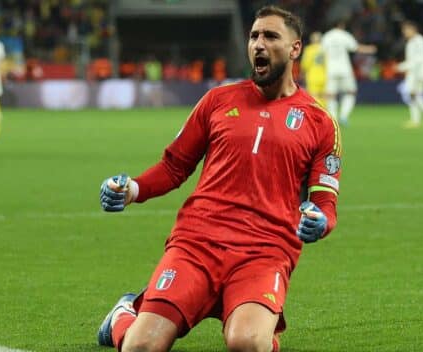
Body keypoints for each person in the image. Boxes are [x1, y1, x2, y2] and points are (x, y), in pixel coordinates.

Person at [97, 5, 342, 352]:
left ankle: (257, 327)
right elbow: (173, 166)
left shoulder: (320, 122)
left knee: (246, 344)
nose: (259, 44)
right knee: (142, 347)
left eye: (271, 36)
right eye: (254, 36)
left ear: (295, 48)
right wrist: (132, 189)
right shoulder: (217, 100)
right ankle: (123, 315)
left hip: (265, 249)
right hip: (197, 242)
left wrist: (321, 222)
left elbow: (324, 202)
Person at [321, 19, 376, 126]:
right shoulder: (344, 35)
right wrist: (370, 49)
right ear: (341, 25)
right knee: (351, 92)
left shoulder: (326, 36)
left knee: (331, 95)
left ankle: (333, 118)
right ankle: (344, 116)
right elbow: (356, 48)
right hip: (344, 69)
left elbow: (322, 53)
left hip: (331, 70)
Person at [398, 20, 423, 128]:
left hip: (419, 73)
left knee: (415, 94)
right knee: (412, 95)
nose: (404, 33)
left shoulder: (419, 41)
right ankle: (415, 120)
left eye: (405, 30)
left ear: (412, 29)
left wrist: (402, 67)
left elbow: (419, 59)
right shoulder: (411, 42)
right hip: (412, 73)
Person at [300, 31, 326, 106]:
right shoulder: (324, 49)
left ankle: (317, 114)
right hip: (324, 76)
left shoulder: (309, 50)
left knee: (314, 98)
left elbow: (305, 64)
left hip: (312, 76)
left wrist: (302, 74)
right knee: (324, 98)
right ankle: (324, 114)